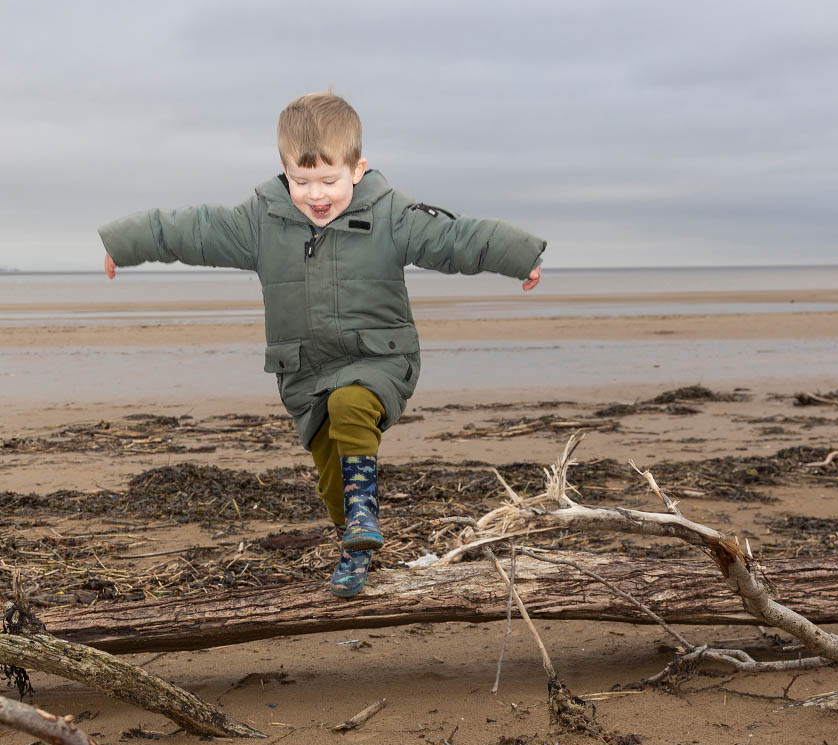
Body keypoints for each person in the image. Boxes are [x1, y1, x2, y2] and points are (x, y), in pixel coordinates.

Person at [99, 92, 545, 597]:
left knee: (350, 403)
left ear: (358, 170)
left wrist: (520, 255)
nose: (316, 195)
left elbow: (458, 238)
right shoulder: (259, 224)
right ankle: (355, 544)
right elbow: (187, 230)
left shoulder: (391, 216)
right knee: (333, 482)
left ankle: (362, 514)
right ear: (284, 170)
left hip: (379, 358)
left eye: (329, 181)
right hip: (305, 373)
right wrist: (123, 242)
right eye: (301, 181)